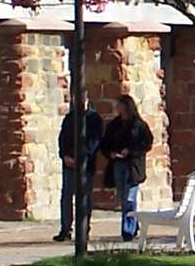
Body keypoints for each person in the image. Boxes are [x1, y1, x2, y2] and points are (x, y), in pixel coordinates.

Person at [97, 94, 154, 244]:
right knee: (123, 197)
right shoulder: (114, 125)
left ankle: (127, 231)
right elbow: (105, 144)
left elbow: (146, 143)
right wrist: (111, 153)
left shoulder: (138, 125)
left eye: (120, 105)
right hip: (118, 165)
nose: (118, 108)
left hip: (132, 166)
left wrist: (131, 151)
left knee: (129, 198)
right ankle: (133, 225)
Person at [54, 94, 103, 243]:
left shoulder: (94, 119)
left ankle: (83, 229)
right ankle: (65, 229)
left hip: (85, 165)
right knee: (66, 196)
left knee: (84, 198)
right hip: (69, 163)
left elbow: (94, 141)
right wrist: (64, 156)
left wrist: (82, 157)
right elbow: (62, 139)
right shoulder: (70, 118)